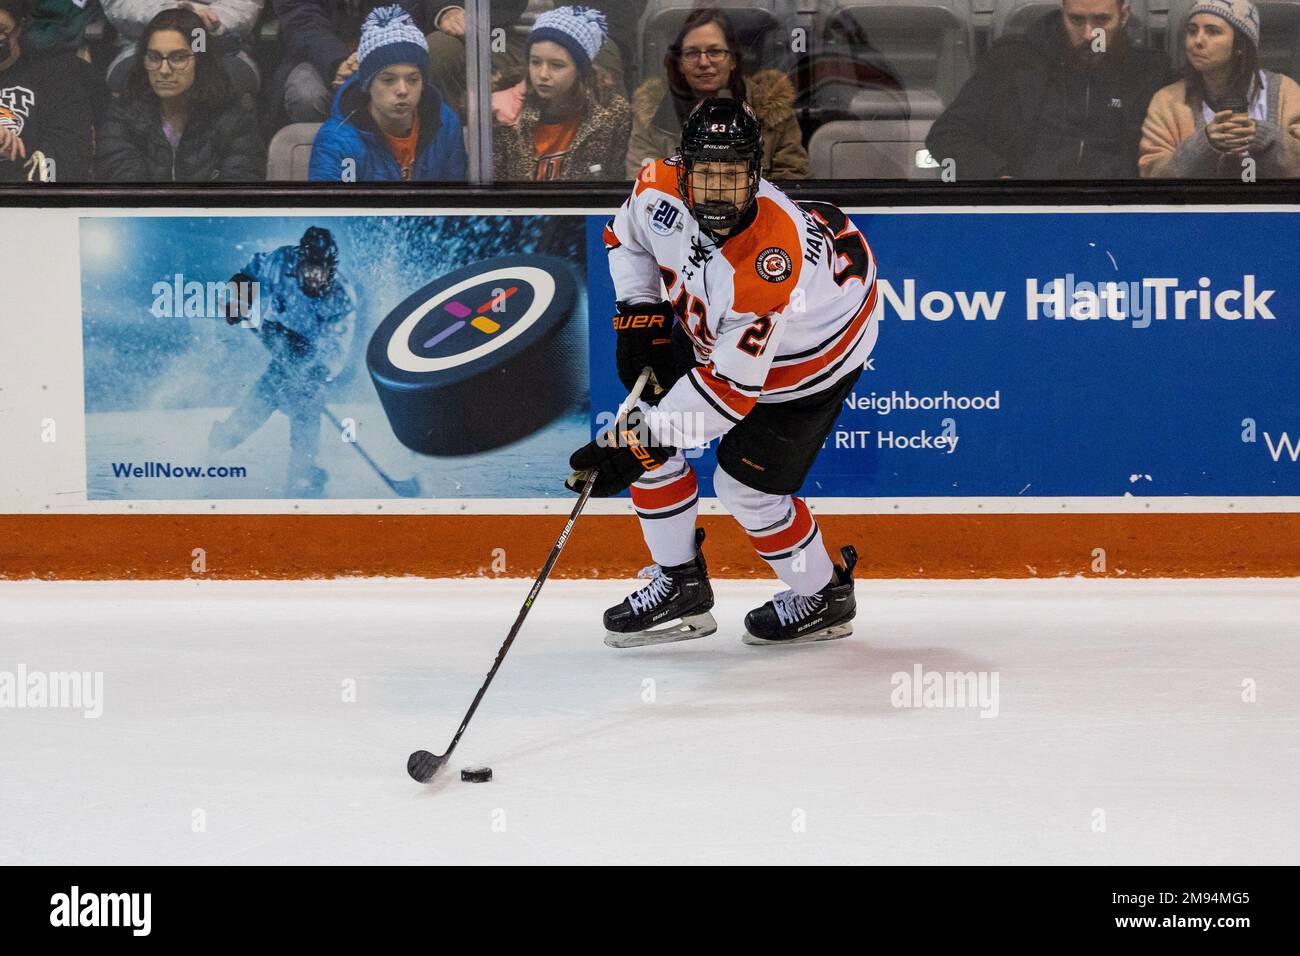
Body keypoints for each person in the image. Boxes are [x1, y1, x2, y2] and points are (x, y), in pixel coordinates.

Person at [569, 97, 879, 647]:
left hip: (812, 357)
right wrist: (640, 313)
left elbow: (728, 396)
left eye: (733, 176)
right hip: (722, 332)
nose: (718, 191)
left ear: (756, 175)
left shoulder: (768, 262)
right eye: (707, 174)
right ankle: (679, 584)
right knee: (641, 432)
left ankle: (826, 595)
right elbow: (624, 237)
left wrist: (644, 443)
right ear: (683, 168)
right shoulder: (657, 188)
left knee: (743, 489)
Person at [925, 0, 1170, 179]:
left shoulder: (1149, 73)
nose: (1088, 34)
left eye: (1101, 20)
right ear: (1062, 14)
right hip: (1024, 207)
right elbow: (947, 135)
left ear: (1124, 16)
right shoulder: (1012, 61)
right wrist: (997, 177)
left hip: (1116, 210)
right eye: (1076, 20)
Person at [211, 226, 357, 498]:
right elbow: (251, 270)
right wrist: (238, 299)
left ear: (331, 271)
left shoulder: (342, 297)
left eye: (319, 271)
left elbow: (337, 348)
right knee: (265, 394)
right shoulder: (280, 262)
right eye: (308, 268)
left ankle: (302, 474)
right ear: (300, 260)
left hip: (312, 355)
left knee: (306, 408)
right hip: (278, 334)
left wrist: (317, 372)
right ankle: (222, 439)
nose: (312, 277)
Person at [626, 6, 808, 181]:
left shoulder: (772, 111)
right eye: (692, 53)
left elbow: (793, 181)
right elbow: (644, 186)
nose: (704, 62)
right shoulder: (652, 117)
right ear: (680, 64)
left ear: (733, 60)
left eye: (715, 51)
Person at [95, 7, 263, 182]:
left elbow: (240, 189)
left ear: (200, 60)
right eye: (154, 57)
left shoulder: (234, 119)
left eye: (178, 58)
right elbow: (125, 188)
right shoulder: (122, 115)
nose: (164, 70)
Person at [1139, 0, 1300, 178]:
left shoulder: (1285, 92)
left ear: (1240, 44)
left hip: (1274, 204)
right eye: (1192, 31)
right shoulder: (1167, 101)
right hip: (1198, 205)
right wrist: (1204, 146)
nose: (1197, 41)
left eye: (1212, 31)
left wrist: (1267, 139)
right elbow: (1151, 174)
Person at [308, 4, 465, 183]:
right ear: (367, 84)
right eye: (388, 80)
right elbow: (338, 208)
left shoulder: (446, 124)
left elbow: (456, 202)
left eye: (413, 80)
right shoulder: (338, 140)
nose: (403, 90)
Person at [491, 5, 630, 182]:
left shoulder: (611, 114)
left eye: (557, 65)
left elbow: (617, 182)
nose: (543, 74)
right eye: (535, 62)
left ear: (580, 69)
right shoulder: (503, 114)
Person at [271, 0, 427, 125]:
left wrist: (370, 54)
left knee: (398, 92)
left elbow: (404, 13)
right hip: (317, 55)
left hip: (386, 49)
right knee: (307, 96)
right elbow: (301, 22)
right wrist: (338, 61)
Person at [0, 0, 100, 182]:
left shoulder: (58, 77)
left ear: (19, 28)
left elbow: (67, 159)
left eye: (0, 30)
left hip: (28, 201)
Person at [101, 1, 264, 95]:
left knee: (219, 78)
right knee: (133, 79)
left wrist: (207, 21)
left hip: (216, 40)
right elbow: (119, 4)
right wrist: (172, 17)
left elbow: (244, 5)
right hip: (146, 39)